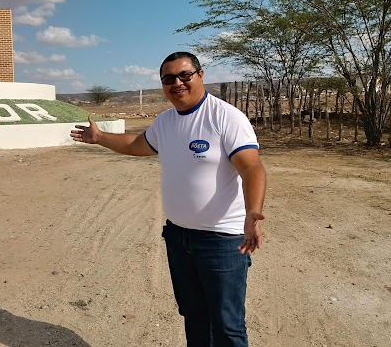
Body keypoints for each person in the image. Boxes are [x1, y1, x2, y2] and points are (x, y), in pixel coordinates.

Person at [70, 51, 266, 347]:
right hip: (179, 238)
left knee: (228, 325)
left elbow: (251, 166)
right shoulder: (166, 121)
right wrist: (100, 138)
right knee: (194, 317)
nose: (177, 83)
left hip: (222, 241)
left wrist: (253, 212)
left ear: (200, 76)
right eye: (169, 78)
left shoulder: (225, 117)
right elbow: (138, 144)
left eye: (185, 75)